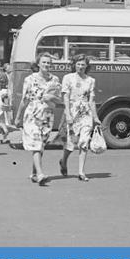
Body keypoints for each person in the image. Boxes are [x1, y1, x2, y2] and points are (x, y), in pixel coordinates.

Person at [15, 53, 61, 186]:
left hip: (47, 115)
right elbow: (25, 99)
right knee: (36, 143)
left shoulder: (55, 80)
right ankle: (40, 174)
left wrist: (51, 98)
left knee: (41, 145)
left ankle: (34, 173)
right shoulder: (30, 79)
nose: (47, 65)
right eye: (44, 62)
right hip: (32, 114)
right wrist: (18, 117)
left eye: (49, 63)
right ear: (38, 64)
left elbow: (59, 100)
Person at [60, 54, 100, 182]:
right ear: (74, 65)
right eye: (78, 64)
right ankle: (64, 161)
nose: (80, 67)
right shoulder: (68, 78)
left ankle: (81, 172)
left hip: (85, 113)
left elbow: (92, 100)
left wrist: (95, 117)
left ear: (87, 66)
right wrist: (67, 113)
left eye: (83, 64)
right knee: (71, 144)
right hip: (73, 111)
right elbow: (65, 97)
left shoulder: (90, 80)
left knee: (84, 142)